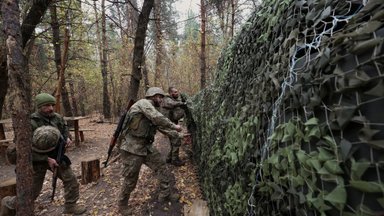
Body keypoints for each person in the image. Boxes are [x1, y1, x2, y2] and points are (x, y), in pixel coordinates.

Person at [0, 93, 86, 216]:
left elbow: (64, 129)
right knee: (32, 193)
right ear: (39, 107)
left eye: (52, 105)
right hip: (37, 159)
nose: (50, 108)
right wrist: (45, 159)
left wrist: (67, 138)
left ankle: (70, 206)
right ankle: (8, 203)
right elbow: (22, 148)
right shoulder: (30, 122)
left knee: (71, 180)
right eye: (46, 105)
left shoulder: (57, 118)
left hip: (57, 156)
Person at [117, 87, 183, 215]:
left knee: (161, 166)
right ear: (154, 96)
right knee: (131, 179)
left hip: (146, 146)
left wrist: (177, 134)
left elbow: (160, 127)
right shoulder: (144, 104)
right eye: (161, 97)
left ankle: (165, 193)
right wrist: (174, 125)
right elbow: (157, 117)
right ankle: (122, 204)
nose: (162, 100)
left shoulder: (152, 108)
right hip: (132, 148)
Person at [159, 87, 186, 166]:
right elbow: (172, 104)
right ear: (170, 93)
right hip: (166, 124)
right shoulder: (166, 99)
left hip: (170, 123)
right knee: (176, 139)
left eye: (177, 92)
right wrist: (183, 103)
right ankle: (175, 160)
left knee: (173, 141)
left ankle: (169, 158)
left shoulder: (172, 99)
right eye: (175, 92)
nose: (177, 93)